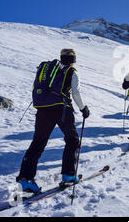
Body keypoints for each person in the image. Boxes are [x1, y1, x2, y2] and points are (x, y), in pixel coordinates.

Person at [16, 49, 90, 193]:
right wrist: (83, 109)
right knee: (73, 140)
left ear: (61, 57)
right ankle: (68, 175)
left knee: (38, 142)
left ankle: (26, 179)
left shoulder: (50, 69)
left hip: (43, 109)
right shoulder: (72, 71)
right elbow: (75, 92)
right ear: (74, 59)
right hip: (61, 109)